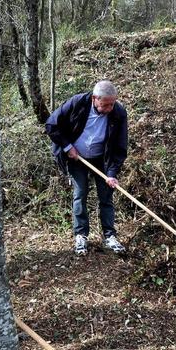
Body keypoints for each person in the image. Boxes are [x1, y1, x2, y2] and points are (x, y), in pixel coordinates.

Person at [45, 80, 128, 256]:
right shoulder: (77, 103)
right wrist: (67, 147)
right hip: (77, 159)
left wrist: (112, 173)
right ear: (95, 98)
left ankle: (110, 236)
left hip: (102, 160)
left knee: (106, 196)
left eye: (112, 104)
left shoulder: (118, 113)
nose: (109, 108)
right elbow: (51, 125)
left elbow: (120, 147)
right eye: (106, 105)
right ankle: (81, 235)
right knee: (80, 193)